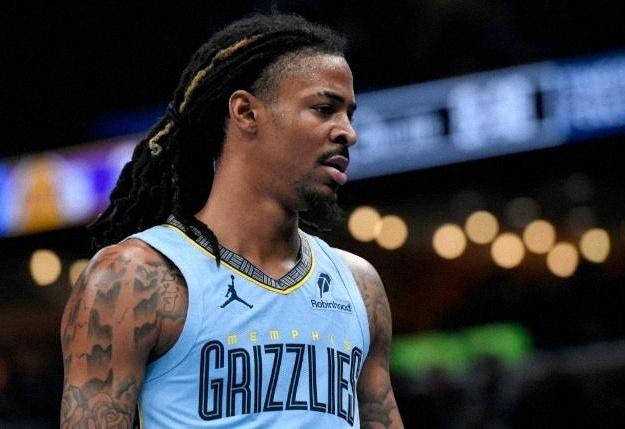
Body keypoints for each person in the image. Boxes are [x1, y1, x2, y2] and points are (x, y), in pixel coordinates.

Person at [60, 13, 403, 428]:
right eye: (324, 109)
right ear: (245, 112)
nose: (348, 132)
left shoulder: (360, 287)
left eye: (349, 114)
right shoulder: (135, 279)